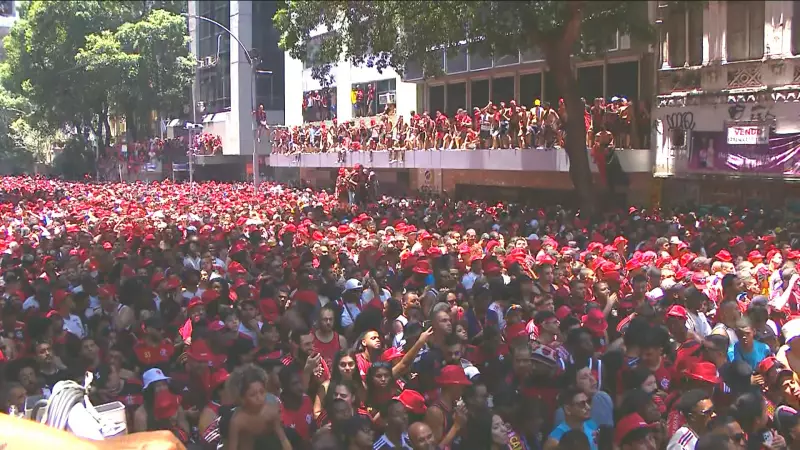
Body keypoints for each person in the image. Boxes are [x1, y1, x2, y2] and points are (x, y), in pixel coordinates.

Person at [226, 364, 291, 450]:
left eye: (262, 392)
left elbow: (283, 439)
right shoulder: (237, 421)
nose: (259, 398)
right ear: (242, 398)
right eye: (252, 395)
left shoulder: (272, 411)